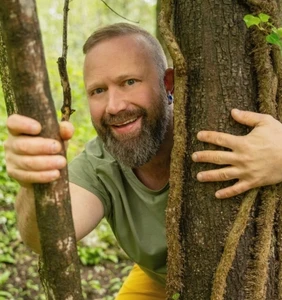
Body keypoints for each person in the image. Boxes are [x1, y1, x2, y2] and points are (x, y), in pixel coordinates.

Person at [4, 23, 282, 299]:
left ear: (168, 84)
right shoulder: (99, 162)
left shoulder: (220, 124)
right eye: (98, 91)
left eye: (129, 82)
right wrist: (33, 184)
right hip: (161, 279)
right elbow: (45, 239)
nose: (114, 106)